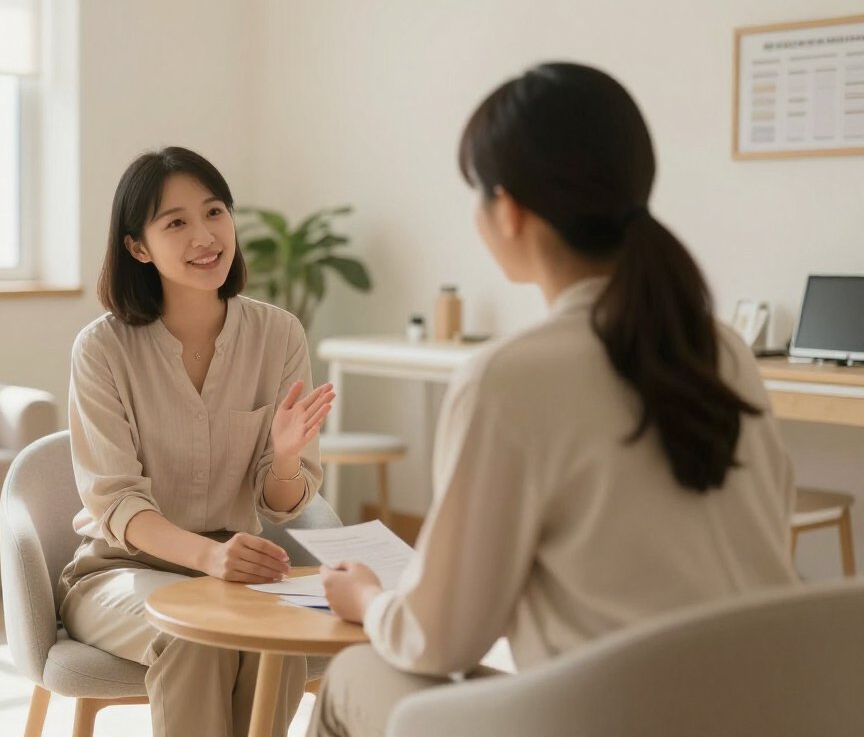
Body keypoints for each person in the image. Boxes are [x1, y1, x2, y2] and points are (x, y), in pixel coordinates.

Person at [309, 63, 799, 737]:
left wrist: (366, 596)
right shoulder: (724, 350)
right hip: (767, 711)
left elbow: (442, 638)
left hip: (604, 719)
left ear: (507, 208)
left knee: (356, 677)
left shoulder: (510, 377)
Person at [59, 146, 334, 737]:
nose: (205, 235)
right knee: (195, 635)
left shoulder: (278, 334)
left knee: (270, 638)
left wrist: (285, 456)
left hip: (235, 570)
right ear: (138, 247)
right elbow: (116, 503)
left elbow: (281, 502)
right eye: (175, 222)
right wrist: (209, 558)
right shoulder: (102, 350)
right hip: (121, 571)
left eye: (215, 212)